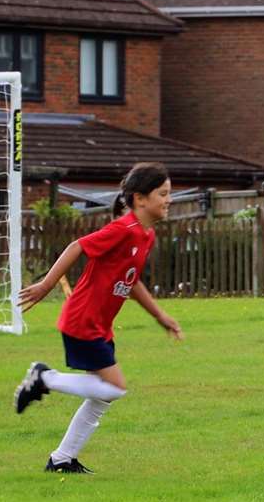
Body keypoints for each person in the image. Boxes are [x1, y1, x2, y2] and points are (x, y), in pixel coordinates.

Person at [13, 162, 183, 473]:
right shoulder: (123, 229)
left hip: (98, 325)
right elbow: (78, 246)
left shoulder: (146, 236)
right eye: (163, 193)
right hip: (83, 320)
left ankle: (62, 459)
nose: (169, 200)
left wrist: (160, 315)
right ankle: (43, 378)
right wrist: (46, 284)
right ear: (140, 199)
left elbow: (130, 281)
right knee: (115, 388)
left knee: (103, 396)